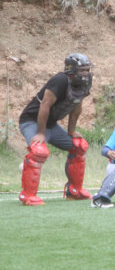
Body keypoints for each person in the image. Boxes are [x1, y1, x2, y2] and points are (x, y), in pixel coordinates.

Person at [18, 53, 94, 205]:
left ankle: (74, 190)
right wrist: (40, 133)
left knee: (79, 147)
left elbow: (77, 105)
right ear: (71, 70)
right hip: (31, 121)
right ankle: (27, 195)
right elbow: (45, 105)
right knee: (39, 151)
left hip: (51, 124)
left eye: (87, 70)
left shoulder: (86, 82)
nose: (85, 73)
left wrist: (71, 130)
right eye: (82, 70)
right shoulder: (59, 80)